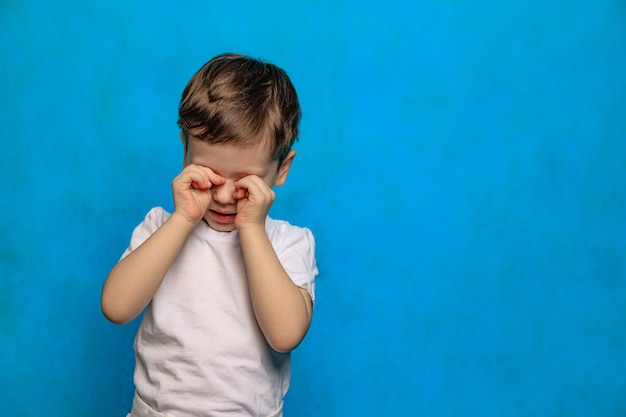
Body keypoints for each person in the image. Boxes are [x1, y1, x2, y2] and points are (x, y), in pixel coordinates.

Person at [101, 53, 318, 417]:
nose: (221, 196)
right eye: (209, 173)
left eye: (246, 181)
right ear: (184, 148)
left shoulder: (288, 243)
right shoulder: (160, 226)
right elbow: (116, 308)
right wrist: (183, 218)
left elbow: (285, 335)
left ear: (282, 169)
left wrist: (251, 229)